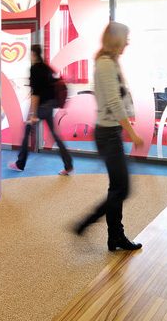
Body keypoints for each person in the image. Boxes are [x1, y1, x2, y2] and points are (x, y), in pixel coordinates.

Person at [73, 22, 146, 252]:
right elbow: (114, 102)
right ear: (116, 40)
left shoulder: (111, 62)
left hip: (111, 132)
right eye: (126, 38)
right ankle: (87, 222)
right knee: (122, 189)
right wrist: (132, 132)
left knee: (117, 188)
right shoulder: (105, 64)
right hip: (107, 134)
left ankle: (115, 237)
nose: (128, 42)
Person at [8, 44, 74, 175]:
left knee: (27, 134)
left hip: (40, 108)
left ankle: (20, 164)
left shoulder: (34, 69)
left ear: (33, 54)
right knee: (55, 136)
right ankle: (69, 166)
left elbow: (35, 93)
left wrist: (32, 113)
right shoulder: (46, 67)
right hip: (49, 106)